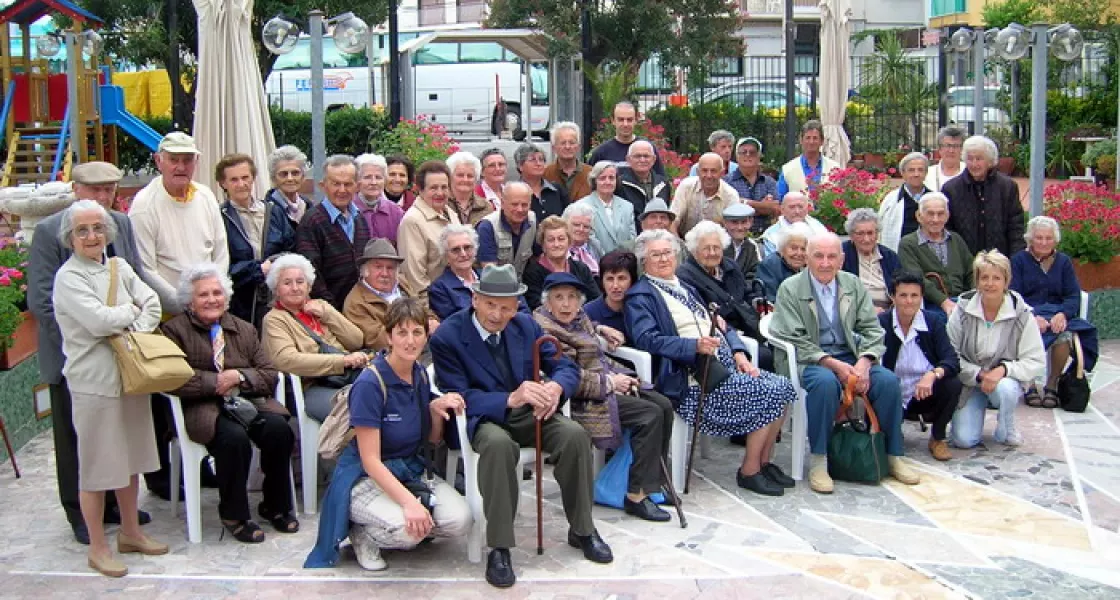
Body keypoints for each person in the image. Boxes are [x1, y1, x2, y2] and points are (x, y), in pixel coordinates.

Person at [430, 264, 613, 588]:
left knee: (574, 436)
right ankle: (500, 547)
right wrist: (508, 398)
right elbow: (456, 394)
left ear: (517, 307)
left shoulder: (525, 327)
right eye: (489, 304)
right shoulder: (449, 335)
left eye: (505, 307)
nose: (497, 314)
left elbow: (565, 366)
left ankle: (582, 528)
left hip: (529, 413)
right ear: (475, 299)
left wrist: (557, 387)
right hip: (481, 417)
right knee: (500, 447)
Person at [29, 163, 150, 544]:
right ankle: (81, 518)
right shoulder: (52, 231)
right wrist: (89, 334)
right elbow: (43, 301)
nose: (102, 197)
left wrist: (129, 326)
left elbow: (139, 283)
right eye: (93, 190)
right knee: (78, 445)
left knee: (121, 443)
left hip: (124, 357)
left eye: (109, 189)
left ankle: (121, 513)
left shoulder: (120, 223)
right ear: (75, 189)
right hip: (76, 357)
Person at [625, 230, 795, 496]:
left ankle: (763, 462)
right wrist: (693, 346)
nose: (662, 259)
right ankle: (749, 471)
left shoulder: (685, 286)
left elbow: (719, 323)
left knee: (783, 386)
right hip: (693, 379)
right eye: (654, 255)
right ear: (643, 261)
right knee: (769, 391)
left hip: (723, 365)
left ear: (676, 255)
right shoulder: (641, 296)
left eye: (667, 252)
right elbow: (647, 339)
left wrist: (739, 353)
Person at [306, 298, 472, 571]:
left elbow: (430, 441)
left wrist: (434, 410)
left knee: (460, 520)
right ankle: (363, 534)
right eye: (402, 333)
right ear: (388, 336)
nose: (410, 341)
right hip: (365, 476)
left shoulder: (419, 373)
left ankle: (402, 521)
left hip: (408, 468)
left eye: (417, 332)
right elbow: (370, 460)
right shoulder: (371, 383)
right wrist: (410, 504)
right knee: (409, 531)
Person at [53, 200, 167, 577]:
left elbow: (150, 301)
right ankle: (98, 546)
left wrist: (131, 320)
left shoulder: (118, 266)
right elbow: (98, 321)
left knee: (131, 460)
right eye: (82, 230)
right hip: (94, 383)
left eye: (98, 228)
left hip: (131, 377)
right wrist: (130, 314)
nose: (91, 236)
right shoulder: (69, 278)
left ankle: (131, 532)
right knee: (98, 468)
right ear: (70, 237)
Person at [768, 232, 919, 494]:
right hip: (811, 359)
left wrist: (864, 362)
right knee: (826, 384)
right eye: (818, 256)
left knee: (888, 382)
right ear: (807, 258)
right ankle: (819, 459)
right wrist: (832, 364)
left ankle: (893, 454)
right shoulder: (791, 288)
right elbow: (791, 336)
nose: (825, 263)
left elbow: (872, 329)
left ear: (842, 259)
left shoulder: (852, 284)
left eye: (831, 257)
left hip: (851, 356)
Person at [161, 264, 297, 543]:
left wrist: (240, 376)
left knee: (279, 431)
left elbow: (269, 374)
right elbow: (173, 379)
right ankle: (234, 514)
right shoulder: (173, 331)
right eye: (203, 295)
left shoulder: (244, 329)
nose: (212, 300)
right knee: (233, 439)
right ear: (190, 300)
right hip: (202, 407)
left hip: (246, 402)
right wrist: (215, 383)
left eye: (217, 293)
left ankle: (275, 506)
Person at [533, 272, 675, 522]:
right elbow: (567, 374)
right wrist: (610, 382)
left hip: (605, 382)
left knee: (663, 404)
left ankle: (653, 483)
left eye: (572, 298)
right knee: (648, 414)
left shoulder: (580, 317)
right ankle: (636, 495)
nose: (566, 304)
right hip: (582, 398)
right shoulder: (545, 328)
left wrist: (625, 376)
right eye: (558, 298)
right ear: (547, 303)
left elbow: (597, 355)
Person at [948, 250, 1045, 448]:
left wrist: (1003, 370)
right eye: (984, 277)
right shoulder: (962, 310)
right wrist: (980, 374)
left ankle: (1006, 428)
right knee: (963, 441)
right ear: (977, 281)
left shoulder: (1022, 313)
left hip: (1003, 381)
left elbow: (1035, 360)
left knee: (1007, 389)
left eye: (996, 278)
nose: (990, 283)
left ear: (1006, 281)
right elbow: (951, 355)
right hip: (970, 381)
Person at [129, 131, 229, 315]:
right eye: (174, 160)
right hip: (170, 313)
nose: (181, 167)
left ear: (196, 162)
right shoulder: (144, 205)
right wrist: (185, 306)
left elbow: (221, 252)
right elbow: (146, 269)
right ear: (159, 161)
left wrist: (214, 296)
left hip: (211, 306)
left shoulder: (206, 195)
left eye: (187, 160)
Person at [261, 254, 368, 423]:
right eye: (287, 283)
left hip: (348, 377)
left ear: (309, 286)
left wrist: (327, 314)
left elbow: (356, 340)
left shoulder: (321, 306)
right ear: (276, 289)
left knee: (383, 396)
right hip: (312, 387)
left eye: (300, 282)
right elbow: (286, 360)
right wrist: (342, 361)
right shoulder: (275, 319)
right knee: (359, 407)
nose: (295, 288)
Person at [1010, 216, 1099, 408]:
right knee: (1025, 331)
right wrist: (1032, 315)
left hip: (1056, 314)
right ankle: (1030, 385)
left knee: (1064, 334)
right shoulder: (1018, 261)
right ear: (1030, 239)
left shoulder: (1064, 262)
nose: (1043, 242)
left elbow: (1073, 295)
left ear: (1055, 240)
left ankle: (1052, 384)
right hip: (1028, 314)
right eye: (1039, 238)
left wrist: (1063, 314)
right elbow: (1013, 295)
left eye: (1048, 238)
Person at [878, 271, 962, 462]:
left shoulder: (933, 321)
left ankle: (938, 437)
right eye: (903, 295)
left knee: (952, 384)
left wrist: (933, 374)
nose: (909, 301)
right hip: (893, 393)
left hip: (923, 393)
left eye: (914, 295)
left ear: (921, 297)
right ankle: (890, 431)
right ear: (893, 297)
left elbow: (951, 359)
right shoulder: (882, 323)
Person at [216, 153, 297, 329]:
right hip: (240, 303)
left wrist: (276, 263)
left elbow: (292, 248)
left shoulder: (273, 211)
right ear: (223, 183)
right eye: (234, 179)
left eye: (246, 177)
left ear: (253, 178)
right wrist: (257, 269)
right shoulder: (219, 218)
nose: (241, 184)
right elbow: (220, 265)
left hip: (277, 299)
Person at [676, 220, 768, 364]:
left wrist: (759, 305)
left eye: (716, 248)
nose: (712, 253)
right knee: (764, 356)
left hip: (750, 325)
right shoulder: (685, 276)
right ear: (694, 251)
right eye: (706, 248)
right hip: (723, 336)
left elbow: (746, 293)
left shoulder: (730, 266)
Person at [294, 154, 371, 311]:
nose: (342, 190)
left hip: (360, 308)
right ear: (323, 185)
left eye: (348, 184)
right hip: (329, 311)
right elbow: (311, 273)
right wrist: (332, 311)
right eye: (336, 184)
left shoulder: (360, 219)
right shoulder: (311, 221)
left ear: (357, 186)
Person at [344, 239, 436, 351]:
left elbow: (422, 309)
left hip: (426, 343)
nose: (384, 274)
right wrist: (420, 327)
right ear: (365, 270)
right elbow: (377, 341)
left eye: (390, 268)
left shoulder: (401, 282)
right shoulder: (355, 303)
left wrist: (432, 320)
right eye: (378, 267)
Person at [943, 135, 1025, 257]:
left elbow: (1016, 227)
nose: (974, 164)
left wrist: (1016, 260)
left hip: (999, 260)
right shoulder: (951, 189)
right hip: (964, 260)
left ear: (990, 161)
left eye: (979, 158)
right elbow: (947, 230)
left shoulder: (1007, 187)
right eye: (970, 159)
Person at [428, 225, 530, 320]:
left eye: (467, 247)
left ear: (475, 250)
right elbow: (457, 323)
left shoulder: (493, 275)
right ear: (446, 256)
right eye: (455, 250)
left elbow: (523, 310)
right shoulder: (439, 289)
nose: (463, 254)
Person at [897, 193, 974, 316]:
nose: (935, 219)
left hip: (961, 301)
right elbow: (916, 278)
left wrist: (975, 296)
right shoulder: (908, 243)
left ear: (947, 216)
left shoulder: (956, 239)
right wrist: (944, 302)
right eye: (930, 214)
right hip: (930, 306)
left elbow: (972, 271)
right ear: (919, 216)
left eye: (940, 214)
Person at [398, 160, 463, 303]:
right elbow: (415, 278)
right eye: (433, 188)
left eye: (444, 187)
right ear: (420, 190)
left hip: (456, 294)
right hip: (436, 303)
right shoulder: (413, 222)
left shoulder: (450, 213)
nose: (440, 193)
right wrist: (428, 315)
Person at [522, 216, 601, 310]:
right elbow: (537, 306)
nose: (556, 244)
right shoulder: (532, 272)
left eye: (561, 239)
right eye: (551, 240)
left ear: (569, 242)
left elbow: (596, 301)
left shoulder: (581, 268)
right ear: (543, 244)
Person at [840, 209, 902, 313]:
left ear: (877, 234)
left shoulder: (889, 256)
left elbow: (901, 286)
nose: (866, 239)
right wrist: (868, 309)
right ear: (851, 235)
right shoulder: (842, 254)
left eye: (870, 233)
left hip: (888, 311)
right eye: (860, 233)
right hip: (853, 310)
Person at [669, 152, 741, 238]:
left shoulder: (731, 196)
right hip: (683, 240)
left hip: (717, 245)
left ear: (722, 173)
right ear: (698, 172)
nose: (709, 175)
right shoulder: (686, 187)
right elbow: (672, 221)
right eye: (704, 170)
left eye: (713, 171)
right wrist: (678, 246)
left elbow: (734, 230)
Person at [587, 101, 665, 175]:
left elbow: (661, 181)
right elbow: (589, 182)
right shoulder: (601, 153)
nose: (625, 124)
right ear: (613, 121)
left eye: (629, 120)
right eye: (621, 119)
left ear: (636, 120)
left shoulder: (647, 149)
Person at [477, 181, 536, 278]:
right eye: (514, 204)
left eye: (524, 205)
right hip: (496, 288)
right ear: (503, 203)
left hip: (521, 285)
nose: (520, 209)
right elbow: (490, 275)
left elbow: (537, 258)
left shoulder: (532, 220)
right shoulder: (487, 227)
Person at [578, 161, 636, 256]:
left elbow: (632, 240)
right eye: (602, 178)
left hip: (623, 264)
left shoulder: (627, 206)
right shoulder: (582, 206)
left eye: (611, 178)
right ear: (594, 181)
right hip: (594, 264)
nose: (607, 182)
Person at [724, 137, 779, 235]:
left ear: (759, 156)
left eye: (752, 152)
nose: (748, 155)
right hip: (735, 236)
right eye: (744, 152)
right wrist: (761, 207)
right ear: (737, 156)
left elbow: (774, 208)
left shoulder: (769, 182)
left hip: (765, 236)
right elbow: (727, 209)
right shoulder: (726, 182)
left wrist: (742, 202)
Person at [878, 152, 931, 252]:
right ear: (903, 173)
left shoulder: (934, 199)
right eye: (911, 170)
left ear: (926, 173)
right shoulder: (891, 200)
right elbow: (880, 229)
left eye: (920, 170)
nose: (916, 174)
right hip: (899, 254)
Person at [776, 120, 841, 199]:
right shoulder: (787, 169)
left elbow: (841, 197)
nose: (811, 142)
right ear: (801, 140)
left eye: (815, 138)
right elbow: (779, 200)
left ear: (822, 141)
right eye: (808, 138)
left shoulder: (835, 167)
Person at [584, 250, 639, 343]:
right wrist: (598, 328)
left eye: (621, 278)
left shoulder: (641, 307)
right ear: (602, 281)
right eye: (610, 279)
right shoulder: (589, 311)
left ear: (632, 281)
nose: (615, 286)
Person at [616, 140, 671, 230]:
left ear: (654, 159)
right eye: (637, 156)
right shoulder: (619, 184)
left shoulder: (663, 183)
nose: (642, 160)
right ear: (628, 160)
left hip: (658, 237)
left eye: (646, 156)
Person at [354, 153, 405, 246]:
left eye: (378, 177)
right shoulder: (348, 210)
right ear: (357, 180)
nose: (373, 182)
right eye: (367, 177)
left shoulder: (396, 213)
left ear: (384, 180)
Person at [760, 191, 827, 257]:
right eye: (792, 207)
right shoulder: (771, 235)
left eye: (800, 207)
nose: (797, 211)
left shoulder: (817, 226)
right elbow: (772, 263)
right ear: (782, 209)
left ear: (807, 209)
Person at [515, 142, 568, 223]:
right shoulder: (514, 192)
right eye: (532, 160)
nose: (538, 163)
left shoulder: (556, 190)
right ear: (520, 166)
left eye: (541, 159)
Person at [758, 222, 810, 304]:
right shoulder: (770, 265)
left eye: (803, 249)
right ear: (782, 249)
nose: (799, 253)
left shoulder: (809, 267)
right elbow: (770, 300)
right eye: (794, 248)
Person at [265, 145, 315, 230]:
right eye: (284, 174)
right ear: (274, 178)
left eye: (295, 173)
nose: (290, 178)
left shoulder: (308, 206)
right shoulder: (267, 211)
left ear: (303, 176)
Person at [545, 121, 593, 201]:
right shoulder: (545, 174)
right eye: (563, 143)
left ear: (578, 146)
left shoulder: (591, 174)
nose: (567, 147)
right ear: (554, 148)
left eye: (572, 143)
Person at [446, 151, 495, 226]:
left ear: (476, 179)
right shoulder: (442, 203)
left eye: (470, 176)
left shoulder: (486, 207)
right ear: (450, 177)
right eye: (460, 175)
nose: (465, 180)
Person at [722, 203, 761, 281]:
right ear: (725, 223)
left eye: (743, 222)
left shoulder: (752, 246)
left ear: (751, 222)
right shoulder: (718, 244)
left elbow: (756, 274)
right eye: (734, 222)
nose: (740, 228)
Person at [564, 202, 602, 277]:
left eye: (586, 226)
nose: (581, 229)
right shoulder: (559, 246)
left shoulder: (594, 245)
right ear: (565, 224)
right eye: (576, 225)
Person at [924, 126, 967, 192]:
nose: (951, 150)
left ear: (962, 149)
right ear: (939, 148)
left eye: (956, 146)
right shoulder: (927, 174)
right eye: (947, 145)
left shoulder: (969, 172)